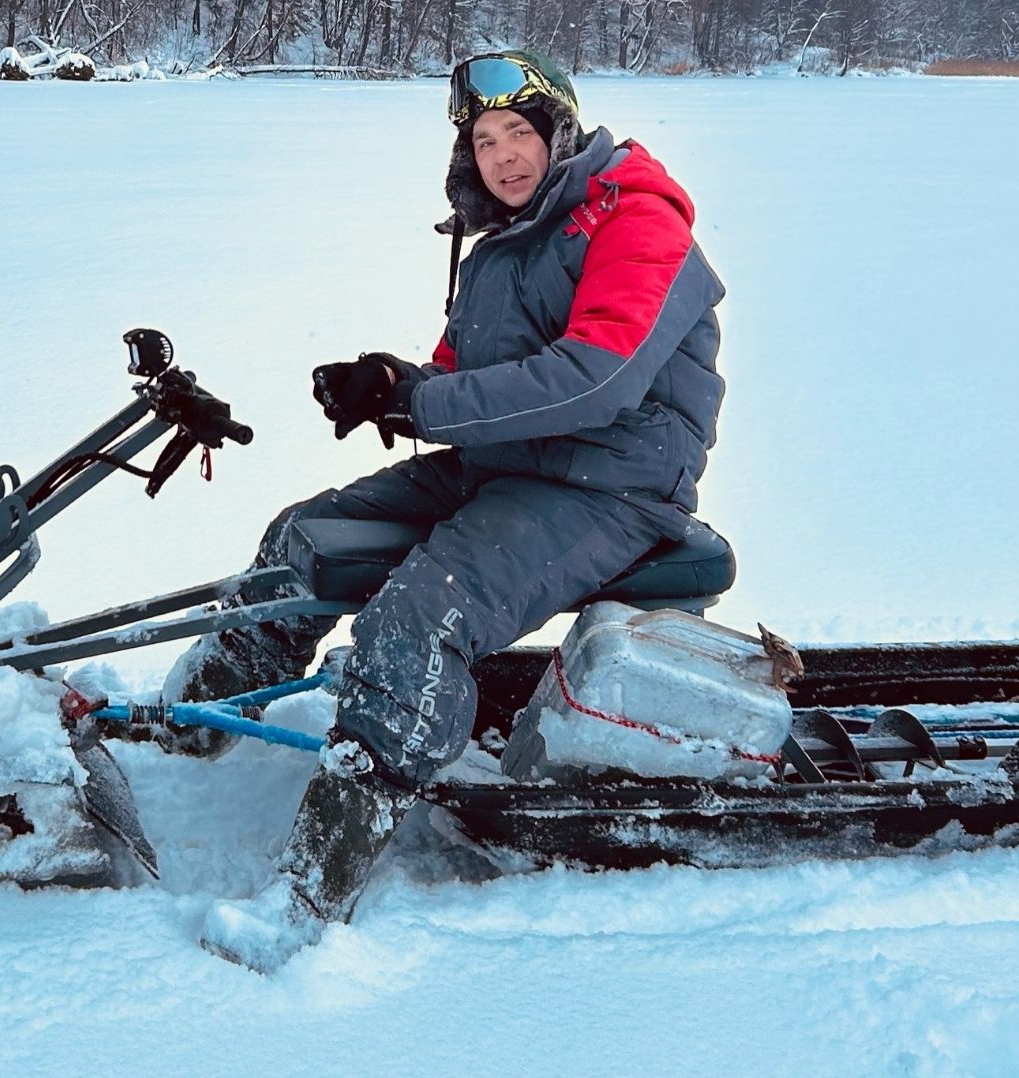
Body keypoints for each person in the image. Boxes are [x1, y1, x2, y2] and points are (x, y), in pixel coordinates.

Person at [172, 50, 729, 972]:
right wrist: (393, 381)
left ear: (561, 131)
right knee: (301, 537)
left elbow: (599, 380)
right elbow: (476, 380)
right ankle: (189, 729)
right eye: (484, 140)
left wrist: (422, 404)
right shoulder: (509, 234)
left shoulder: (637, 218)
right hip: (508, 465)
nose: (503, 156)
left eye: (520, 133)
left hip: (614, 485)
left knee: (418, 616)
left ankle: (312, 892)